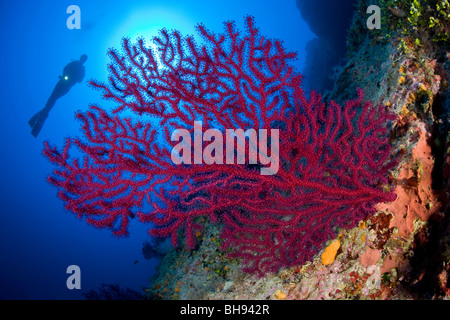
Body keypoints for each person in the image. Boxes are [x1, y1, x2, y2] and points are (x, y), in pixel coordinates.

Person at [28, 54, 88, 137]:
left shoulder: (82, 69)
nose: (82, 60)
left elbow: (80, 80)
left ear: (84, 61)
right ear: (81, 57)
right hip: (63, 81)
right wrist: (65, 75)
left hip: (67, 85)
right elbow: (65, 68)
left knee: (54, 98)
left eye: (84, 59)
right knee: (52, 97)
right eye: (82, 58)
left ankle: (44, 112)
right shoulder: (74, 63)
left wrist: (74, 79)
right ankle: (44, 112)